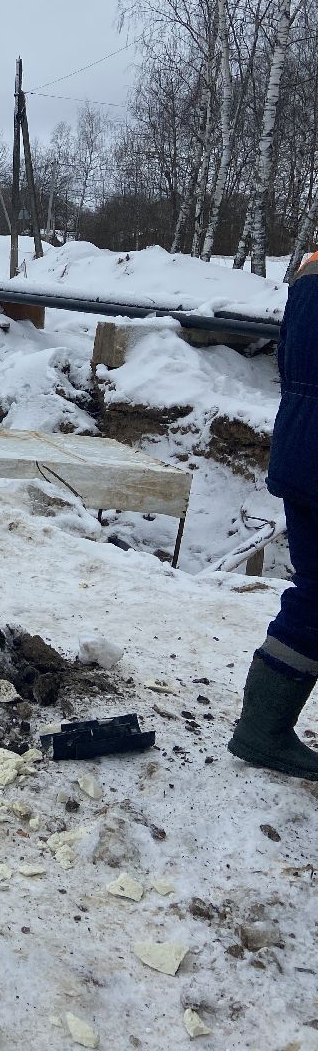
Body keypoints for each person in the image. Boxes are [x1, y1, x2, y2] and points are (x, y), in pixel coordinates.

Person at [229, 251, 318, 780]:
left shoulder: (309, 275)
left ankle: (263, 729)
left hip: (301, 451)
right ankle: (263, 731)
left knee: (314, 595)